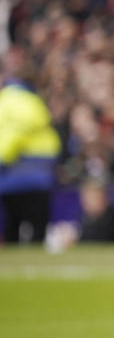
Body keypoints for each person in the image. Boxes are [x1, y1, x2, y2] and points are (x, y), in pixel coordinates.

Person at [0, 53, 61, 244]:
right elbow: (14, 133)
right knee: (36, 228)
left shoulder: (7, 99)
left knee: (13, 226)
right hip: (30, 174)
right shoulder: (25, 100)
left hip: (15, 176)